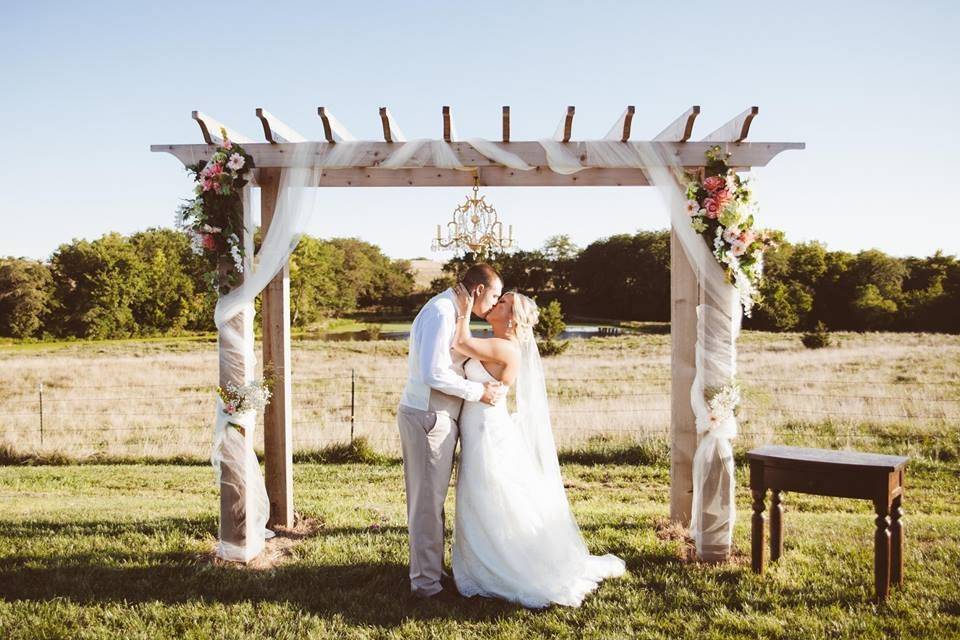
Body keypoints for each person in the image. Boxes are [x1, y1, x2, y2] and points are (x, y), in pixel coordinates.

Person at [449, 286, 626, 608]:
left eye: (502, 302)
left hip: (488, 431)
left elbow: (461, 343)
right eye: (499, 299)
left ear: (513, 319)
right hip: (479, 427)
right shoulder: (497, 343)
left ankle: (506, 564)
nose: (495, 303)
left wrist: (462, 308)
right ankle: (483, 559)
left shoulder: (507, 348)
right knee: (481, 496)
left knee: (491, 495)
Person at [396, 263, 506, 598]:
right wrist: (479, 392)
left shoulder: (452, 311)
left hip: (438, 416)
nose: (495, 302)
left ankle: (431, 572)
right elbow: (433, 373)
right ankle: (425, 585)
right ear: (478, 291)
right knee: (427, 503)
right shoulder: (442, 312)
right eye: (495, 295)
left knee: (432, 499)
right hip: (429, 417)